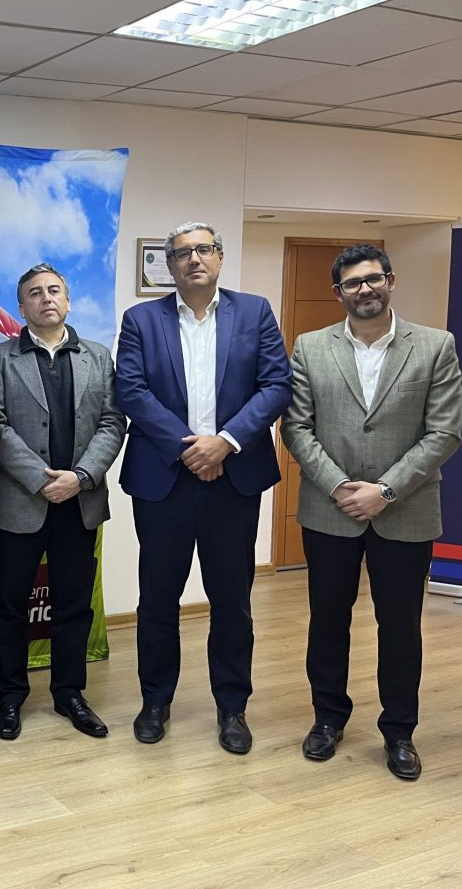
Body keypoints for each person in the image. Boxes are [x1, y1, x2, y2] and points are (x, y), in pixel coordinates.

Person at [281, 244, 461, 780]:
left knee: (400, 626)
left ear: (390, 281)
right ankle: (327, 718)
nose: (365, 289)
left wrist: (384, 490)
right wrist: (340, 487)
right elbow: (296, 427)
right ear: (338, 292)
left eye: (373, 279)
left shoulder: (435, 345)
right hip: (329, 510)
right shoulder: (311, 347)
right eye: (353, 283)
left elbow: (444, 432)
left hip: (405, 511)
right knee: (327, 621)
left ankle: (399, 731)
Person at [116, 221, 291, 754]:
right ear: (168, 266)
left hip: (234, 480)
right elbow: (131, 391)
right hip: (163, 480)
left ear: (219, 257)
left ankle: (232, 707)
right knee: (158, 598)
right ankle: (155, 700)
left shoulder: (254, 312)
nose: (194, 259)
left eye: (204, 250)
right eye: (182, 253)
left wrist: (226, 443)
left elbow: (276, 385)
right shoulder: (141, 320)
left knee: (232, 599)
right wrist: (191, 448)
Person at [0, 263, 125, 741]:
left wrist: (80, 477)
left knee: (73, 606)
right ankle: (10, 696)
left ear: (67, 300)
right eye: (34, 293)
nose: (46, 298)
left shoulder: (98, 357)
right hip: (19, 503)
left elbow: (113, 422)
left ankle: (69, 692)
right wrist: (39, 480)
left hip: (79, 503)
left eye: (54, 290)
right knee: (10, 606)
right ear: (21, 306)